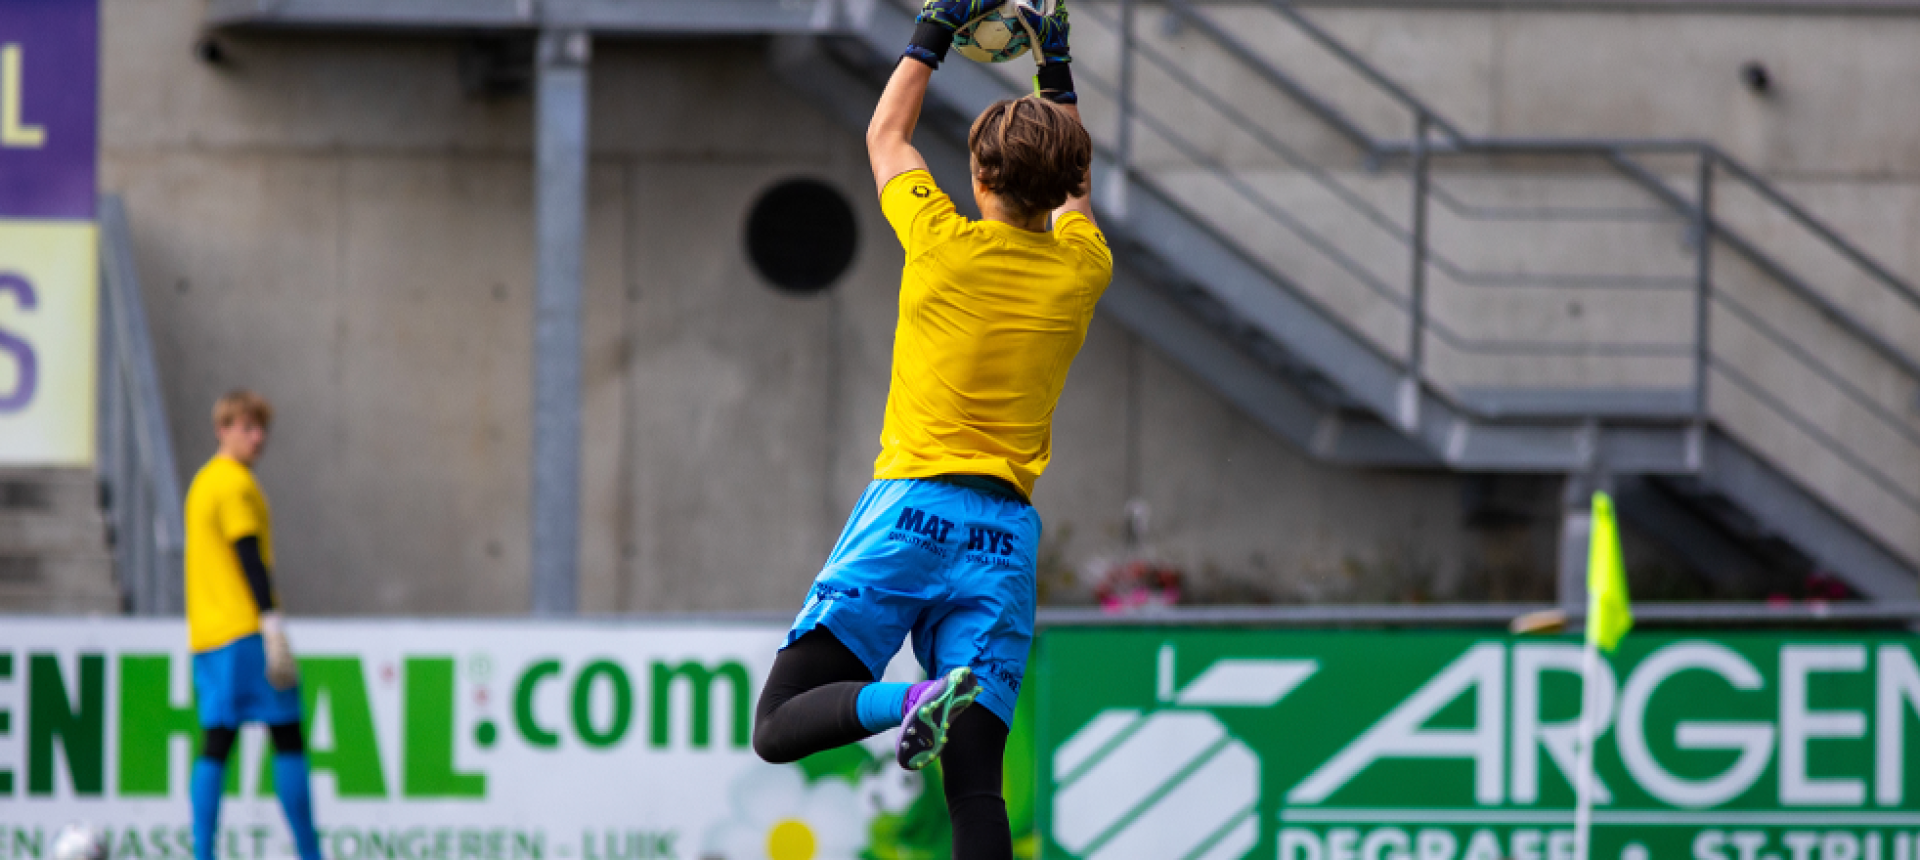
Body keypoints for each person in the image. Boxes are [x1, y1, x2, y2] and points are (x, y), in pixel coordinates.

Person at [751, 2, 1109, 858]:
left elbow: (887, 131)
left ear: (979, 178)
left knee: (778, 724)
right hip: (1003, 537)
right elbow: (1075, 195)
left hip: (910, 513)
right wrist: (1052, 67)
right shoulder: (1081, 271)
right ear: (1063, 185)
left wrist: (935, 28)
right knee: (977, 784)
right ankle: (935, 705)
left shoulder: (939, 241)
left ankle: (910, 702)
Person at [182, 390, 321, 860]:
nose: (257, 438)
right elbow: (248, 556)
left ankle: (203, 851)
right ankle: (309, 851)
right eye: (247, 427)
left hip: (207, 635)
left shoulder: (202, 482)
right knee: (287, 735)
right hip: (244, 631)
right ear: (222, 428)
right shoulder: (235, 484)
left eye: (261, 428)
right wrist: (271, 622)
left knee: (217, 740)